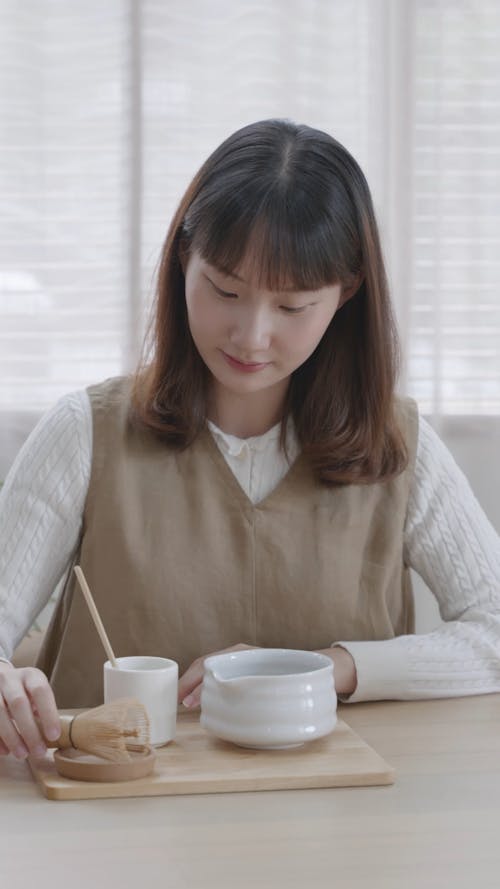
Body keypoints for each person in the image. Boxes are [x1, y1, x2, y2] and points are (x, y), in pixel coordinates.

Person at [0, 118, 499, 762]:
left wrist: (322, 667)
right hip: (113, 820)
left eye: (292, 307)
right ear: (185, 259)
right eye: (225, 290)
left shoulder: (399, 447)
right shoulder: (84, 433)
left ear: (345, 294)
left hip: (342, 824)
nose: (251, 336)